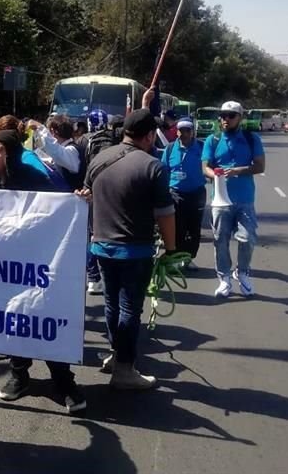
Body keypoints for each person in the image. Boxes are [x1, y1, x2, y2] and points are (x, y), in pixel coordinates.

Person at [0, 130, 89, 413]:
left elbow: (61, 208)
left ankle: (64, 381)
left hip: (37, 266)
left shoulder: (34, 178)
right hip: (4, 270)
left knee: (43, 319)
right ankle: (19, 375)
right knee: (13, 321)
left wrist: (79, 199)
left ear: (12, 153)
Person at [82, 108, 177, 390]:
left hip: (100, 246)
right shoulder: (153, 166)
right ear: (149, 135)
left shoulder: (99, 158)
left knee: (111, 304)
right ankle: (124, 369)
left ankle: (116, 355)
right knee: (129, 309)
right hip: (134, 250)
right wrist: (171, 250)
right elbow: (165, 213)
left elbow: (85, 196)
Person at [202, 101, 265, 298]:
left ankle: (242, 272)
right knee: (220, 240)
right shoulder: (213, 140)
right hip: (220, 201)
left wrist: (238, 170)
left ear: (240, 117)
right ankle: (224, 278)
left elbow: (260, 166)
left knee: (247, 238)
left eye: (230, 115)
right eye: (222, 115)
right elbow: (205, 167)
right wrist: (216, 174)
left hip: (244, 198)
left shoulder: (251, 138)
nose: (225, 119)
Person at [161, 116, 206, 270]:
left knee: (194, 229)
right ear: (177, 132)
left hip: (197, 193)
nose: (184, 133)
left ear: (192, 132)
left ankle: (189, 258)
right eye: (181, 130)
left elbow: (210, 165)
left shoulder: (201, 147)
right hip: (175, 193)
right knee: (178, 228)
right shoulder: (170, 148)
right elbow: (164, 170)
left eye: (187, 130)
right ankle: (177, 257)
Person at [83, 109, 116, 295]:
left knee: (91, 235)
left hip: (90, 191)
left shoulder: (85, 141)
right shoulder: (112, 140)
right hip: (111, 193)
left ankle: (93, 277)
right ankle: (110, 273)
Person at [28, 116, 84, 191]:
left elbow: (54, 150)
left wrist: (40, 127)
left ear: (53, 131)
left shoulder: (72, 150)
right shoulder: (66, 149)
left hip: (73, 200)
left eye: (49, 131)